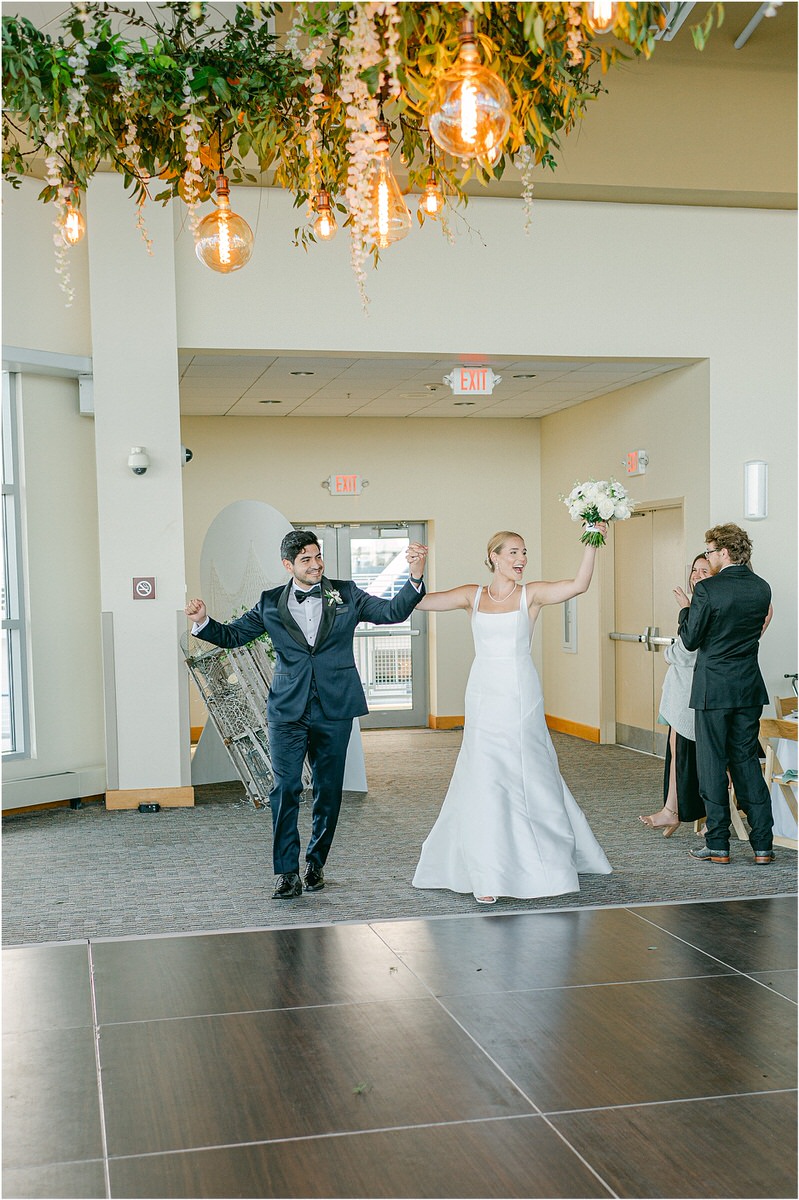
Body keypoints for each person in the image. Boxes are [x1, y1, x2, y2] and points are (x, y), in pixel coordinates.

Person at [186, 530, 427, 899]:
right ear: (288, 565)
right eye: (306, 560)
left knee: (328, 791)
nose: (315, 565)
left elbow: (390, 612)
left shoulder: (346, 593)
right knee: (284, 788)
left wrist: (414, 576)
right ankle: (286, 872)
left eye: (318, 557)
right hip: (287, 710)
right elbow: (234, 636)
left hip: (335, 707)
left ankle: (316, 864)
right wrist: (204, 622)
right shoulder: (269, 602)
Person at [412, 529, 612, 904]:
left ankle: (544, 861)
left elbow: (579, 584)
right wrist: (417, 570)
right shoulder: (472, 596)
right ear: (494, 557)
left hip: (521, 692)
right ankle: (487, 868)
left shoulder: (530, 595)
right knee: (485, 772)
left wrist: (590, 540)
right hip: (483, 691)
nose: (521, 560)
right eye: (514, 553)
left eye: (524, 553)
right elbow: (418, 602)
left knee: (527, 768)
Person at [678, 523, 773, 866]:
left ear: (723, 552)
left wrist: (687, 608)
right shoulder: (762, 588)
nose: (707, 557)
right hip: (748, 687)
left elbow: (690, 639)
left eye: (710, 551)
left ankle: (718, 842)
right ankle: (763, 843)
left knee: (712, 764)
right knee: (746, 761)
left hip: (713, 689)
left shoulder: (708, 589)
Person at [639, 553, 712, 837]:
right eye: (694, 570)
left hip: (695, 692)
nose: (696, 575)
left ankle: (681, 811)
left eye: (704, 570)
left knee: (686, 752)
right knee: (675, 749)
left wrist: (670, 650)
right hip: (681, 691)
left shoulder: (704, 607)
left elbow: (687, 652)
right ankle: (672, 809)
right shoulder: (697, 605)